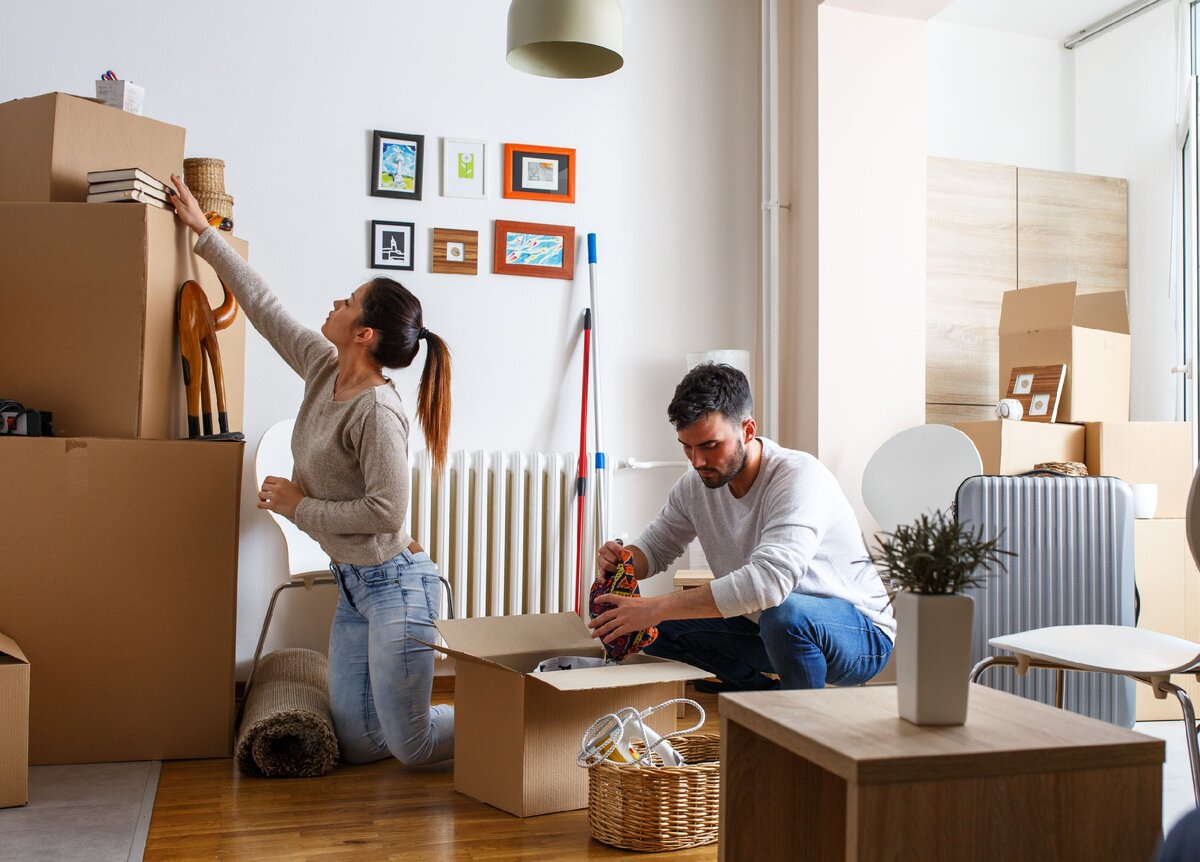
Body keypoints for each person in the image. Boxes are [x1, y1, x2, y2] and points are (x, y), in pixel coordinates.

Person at [169, 175, 454, 765]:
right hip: (355, 585)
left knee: (413, 745)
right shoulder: (326, 367)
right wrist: (205, 232)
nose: (335, 304)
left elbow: (386, 510)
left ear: (364, 333)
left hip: (397, 586)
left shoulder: (379, 412)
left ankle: (514, 712)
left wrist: (300, 505)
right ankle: (434, 716)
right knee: (356, 743)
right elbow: (267, 310)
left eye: (347, 302)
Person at [588, 363, 895, 691]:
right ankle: (760, 697)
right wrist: (624, 559)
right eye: (687, 446)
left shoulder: (799, 477)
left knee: (785, 615)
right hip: (767, 626)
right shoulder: (694, 486)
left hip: (860, 635)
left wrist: (654, 608)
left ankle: (802, 724)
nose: (697, 461)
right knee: (653, 632)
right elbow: (655, 548)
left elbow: (769, 583)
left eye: (709, 445)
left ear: (747, 431)